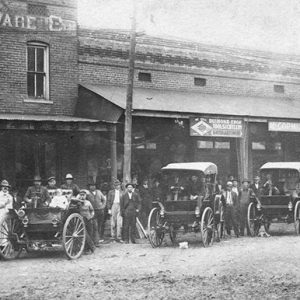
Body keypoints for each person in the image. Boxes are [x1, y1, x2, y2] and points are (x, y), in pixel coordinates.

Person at [77, 189, 95, 254]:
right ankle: (88, 248)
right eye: (81, 195)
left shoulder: (88, 202)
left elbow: (92, 210)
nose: (82, 197)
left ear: (85, 196)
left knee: (90, 233)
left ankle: (90, 249)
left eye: (83, 195)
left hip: (89, 219)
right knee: (85, 234)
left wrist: (91, 216)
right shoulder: (78, 203)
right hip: (81, 219)